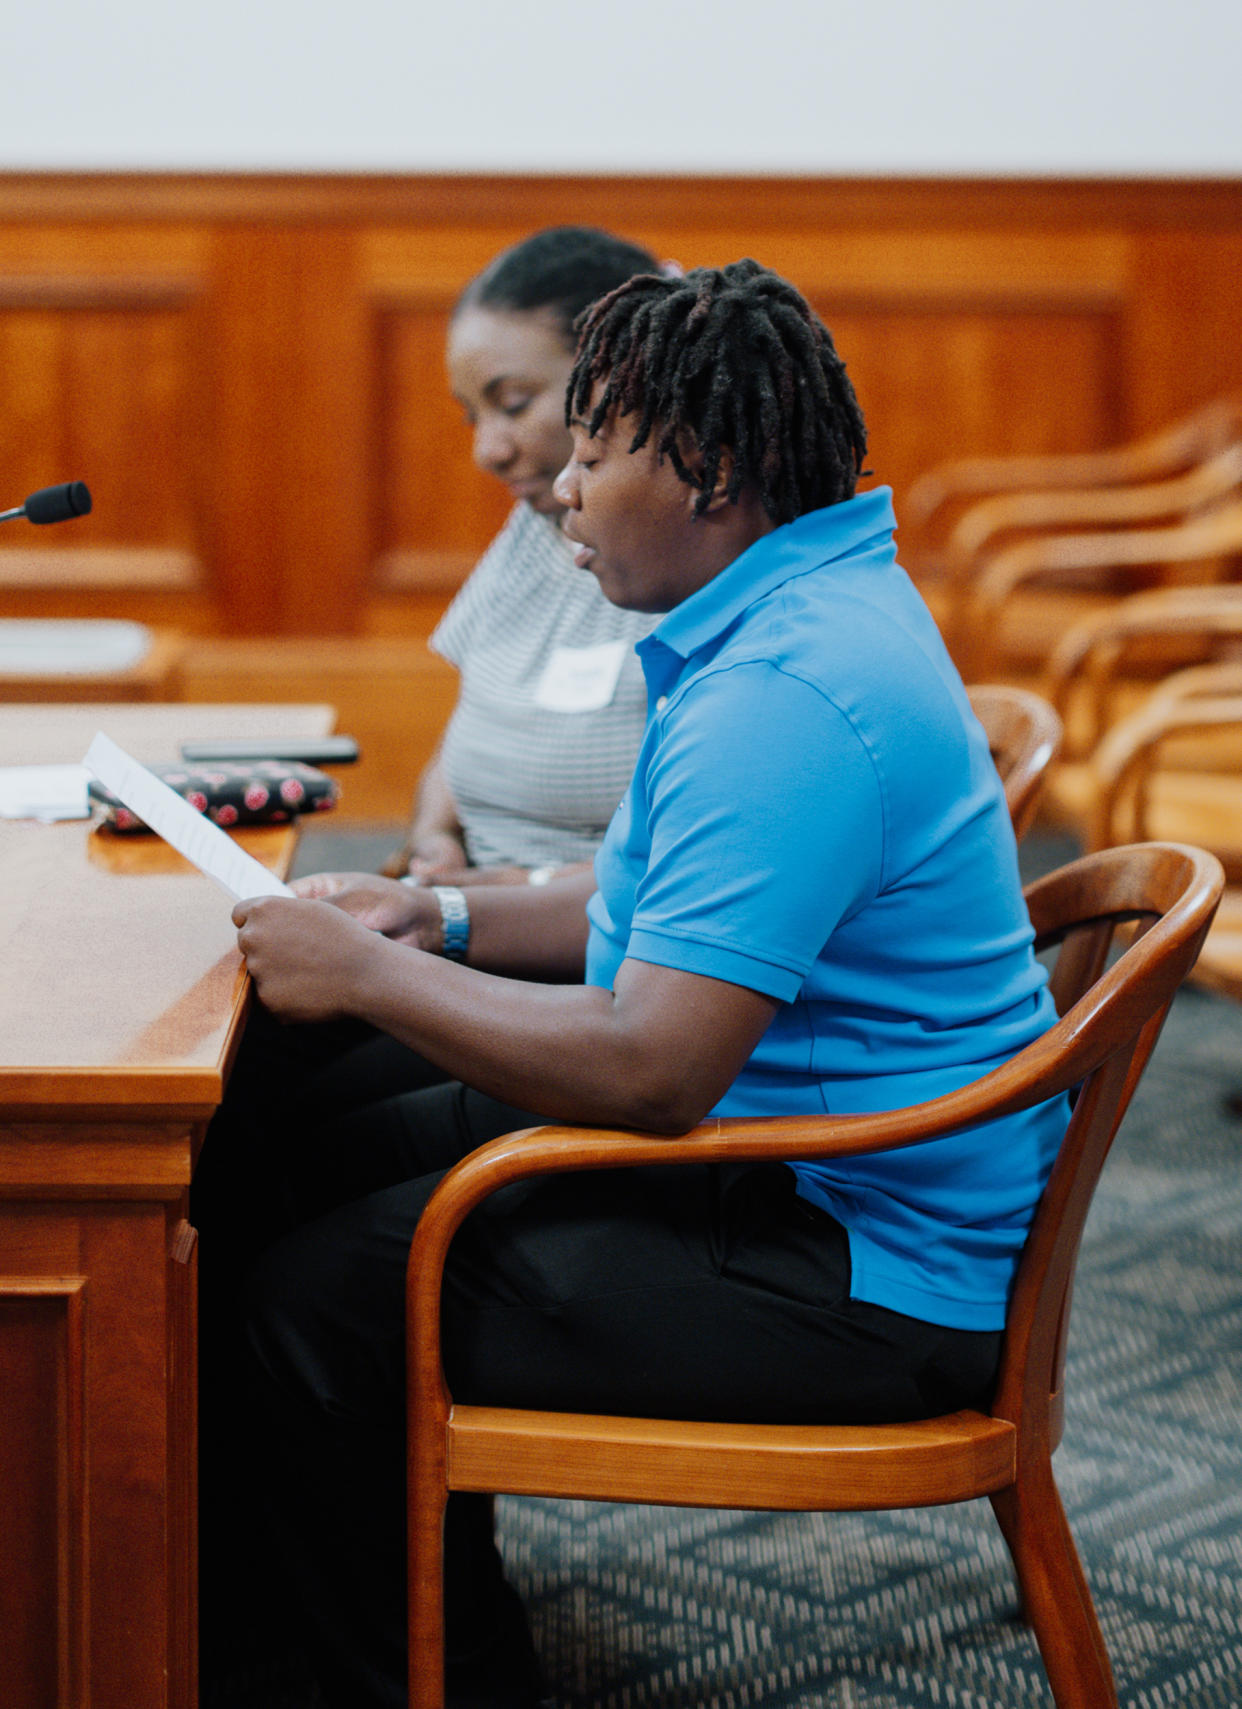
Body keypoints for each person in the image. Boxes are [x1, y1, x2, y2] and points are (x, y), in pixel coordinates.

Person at [215, 259, 1070, 1709]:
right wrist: (428, 912)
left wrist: (361, 968)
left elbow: (650, 1069)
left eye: (593, 458)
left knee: (313, 1303)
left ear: (712, 470)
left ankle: (429, 1675)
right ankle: (279, 1618)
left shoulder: (785, 695)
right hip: (798, 1167)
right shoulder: (795, 607)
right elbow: (635, 907)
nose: (559, 490)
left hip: (855, 1264)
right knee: (288, 1163)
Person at [395, 225, 661, 890]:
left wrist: (501, 901)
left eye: (513, 404)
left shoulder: (689, 553)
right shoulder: (535, 520)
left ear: (618, 377)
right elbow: (473, 719)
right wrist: (435, 839)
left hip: (588, 940)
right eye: (470, 416)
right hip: (475, 909)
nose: (487, 449)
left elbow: (702, 871)